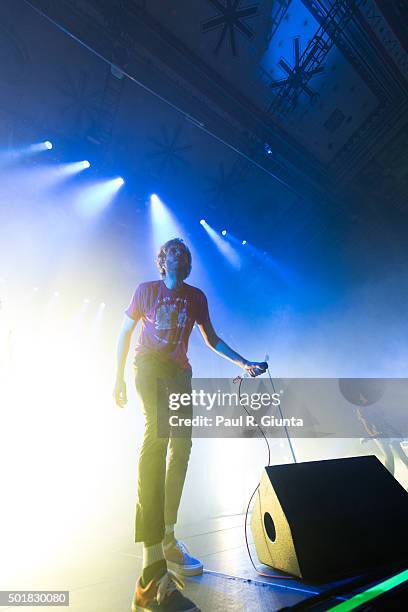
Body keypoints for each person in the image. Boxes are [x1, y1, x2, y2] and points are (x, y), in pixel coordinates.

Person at [114, 238, 267, 612]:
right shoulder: (145, 290)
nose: (178, 256)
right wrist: (117, 377)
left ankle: (167, 535)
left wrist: (243, 362)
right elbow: (124, 332)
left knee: (181, 448)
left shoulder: (196, 297)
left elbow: (211, 339)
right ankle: (153, 561)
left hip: (180, 374)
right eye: (171, 252)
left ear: (188, 264)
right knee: (158, 435)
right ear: (161, 261)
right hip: (148, 367)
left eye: (184, 253)